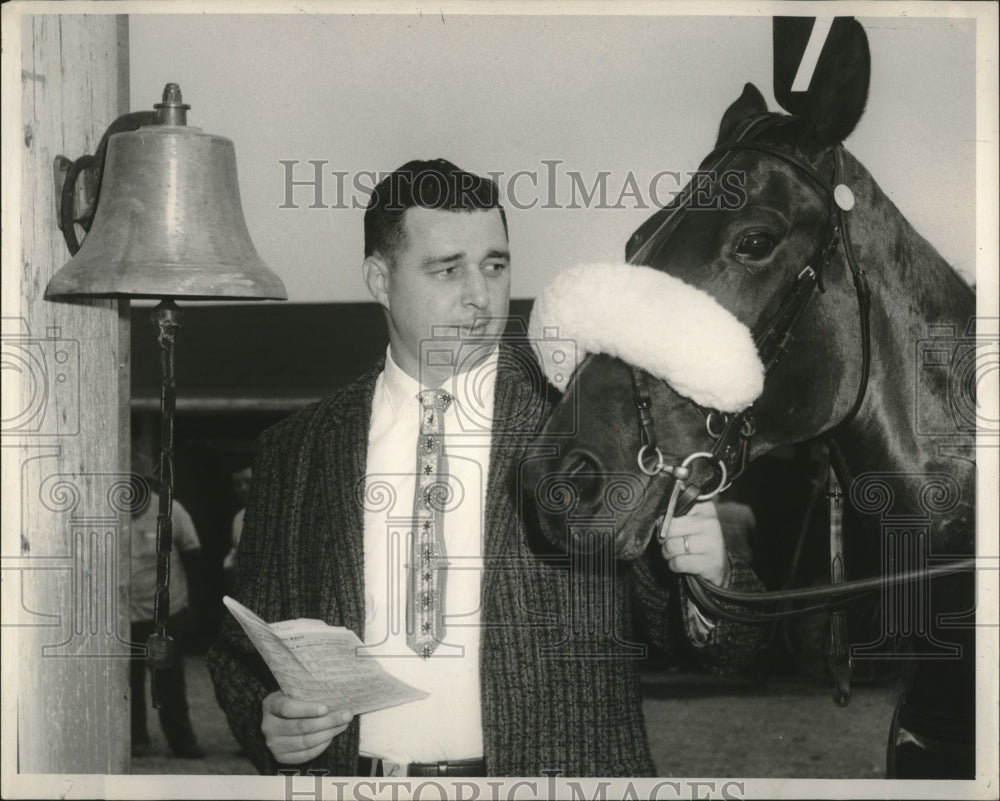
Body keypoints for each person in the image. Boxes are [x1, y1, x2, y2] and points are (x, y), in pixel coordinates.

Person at [207, 159, 764, 776]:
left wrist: (711, 574)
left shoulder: (593, 429)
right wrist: (269, 720)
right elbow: (242, 649)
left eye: (494, 266)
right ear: (379, 279)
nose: (480, 295)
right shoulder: (299, 449)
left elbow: (725, 647)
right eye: (447, 269)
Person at [130, 452, 205, 759]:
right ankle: (134, 740)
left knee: (169, 682)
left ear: (149, 484)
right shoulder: (106, 513)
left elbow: (194, 559)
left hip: (165, 615)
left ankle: (181, 740)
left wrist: (192, 608)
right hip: (124, 616)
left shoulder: (172, 512)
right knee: (127, 682)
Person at [222, 464, 252, 588]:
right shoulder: (239, 519)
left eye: (248, 481)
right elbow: (236, 552)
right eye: (238, 484)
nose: (243, 488)